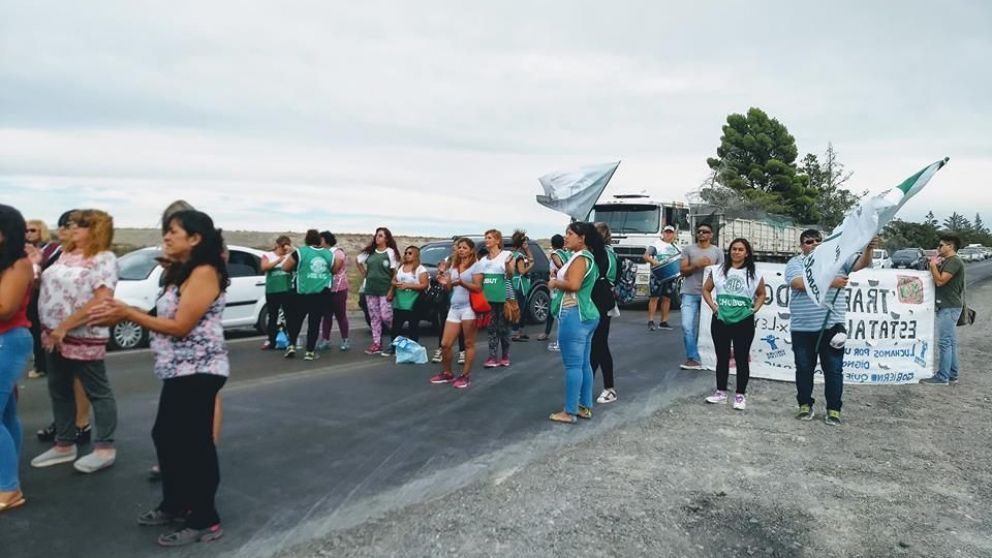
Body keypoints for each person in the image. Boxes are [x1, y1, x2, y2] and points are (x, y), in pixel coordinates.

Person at [89, 209, 229, 546]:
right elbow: (157, 316)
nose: (166, 237)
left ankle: (205, 519)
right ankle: (176, 503)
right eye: (165, 231)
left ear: (194, 239)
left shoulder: (205, 272)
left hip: (200, 369)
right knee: (166, 436)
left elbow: (181, 326)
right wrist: (119, 313)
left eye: (173, 232)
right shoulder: (178, 274)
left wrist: (127, 313)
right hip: (177, 370)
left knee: (195, 445)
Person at [31, 209, 119, 473]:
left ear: (96, 230)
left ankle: (104, 447)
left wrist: (66, 326)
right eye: (72, 225)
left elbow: (102, 298)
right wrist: (36, 266)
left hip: (82, 335)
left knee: (97, 390)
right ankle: (64, 444)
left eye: (80, 226)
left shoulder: (103, 258)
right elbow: (46, 288)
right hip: (52, 333)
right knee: (59, 389)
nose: (72, 229)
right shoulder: (64, 255)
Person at [785, 229, 875, 425]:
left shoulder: (838, 259)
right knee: (804, 368)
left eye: (818, 240)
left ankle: (834, 409)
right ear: (802, 246)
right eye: (809, 242)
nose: (814, 244)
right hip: (803, 328)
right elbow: (797, 283)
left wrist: (869, 248)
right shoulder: (796, 263)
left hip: (832, 326)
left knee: (833, 370)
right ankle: (804, 405)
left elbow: (862, 263)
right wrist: (830, 282)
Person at [33, 211, 94, 444]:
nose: (64, 231)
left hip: (76, 324)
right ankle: (63, 423)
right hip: (51, 323)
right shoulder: (58, 253)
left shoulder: (88, 255)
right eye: (62, 226)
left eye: (69, 226)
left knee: (79, 376)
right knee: (59, 379)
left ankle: (81, 423)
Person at [701, 238, 766, 410]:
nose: (736, 252)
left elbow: (761, 294)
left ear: (747, 253)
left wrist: (754, 309)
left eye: (740, 249)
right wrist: (714, 308)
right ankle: (720, 392)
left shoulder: (754, 273)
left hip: (743, 321)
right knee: (722, 358)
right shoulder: (718, 271)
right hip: (721, 319)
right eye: (734, 249)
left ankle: (740, 395)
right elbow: (705, 289)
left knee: (741, 358)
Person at [548, 222, 603, 424]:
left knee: (573, 366)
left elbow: (573, 285)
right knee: (583, 364)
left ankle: (570, 411)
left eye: (570, 234)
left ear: (582, 238)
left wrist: (555, 283)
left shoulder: (580, 258)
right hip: (586, 314)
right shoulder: (588, 258)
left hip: (574, 314)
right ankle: (583, 407)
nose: (566, 237)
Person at [0, 205, 34, 513]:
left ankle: (9, 489)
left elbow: (5, 307)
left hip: (8, 339)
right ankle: (6, 478)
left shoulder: (20, 264)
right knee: (6, 414)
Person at [430, 238, 483, 389]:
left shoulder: (476, 265)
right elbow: (449, 288)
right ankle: (447, 373)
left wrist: (461, 282)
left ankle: (465, 375)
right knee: (445, 344)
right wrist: (445, 281)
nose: (461, 250)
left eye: (464, 247)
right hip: (454, 307)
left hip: (469, 308)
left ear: (471, 250)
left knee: (468, 343)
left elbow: (478, 288)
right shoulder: (454, 265)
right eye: (459, 247)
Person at [283, 229, 341, 361]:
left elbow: (285, 267)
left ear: (306, 239)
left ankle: (291, 345)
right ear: (319, 240)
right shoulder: (329, 255)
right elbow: (335, 269)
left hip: (301, 292)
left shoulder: (300, 252)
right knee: (314, 323)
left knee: (295, 321)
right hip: (320, 294)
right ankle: (309, 351)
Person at [922, 233, 966, 385]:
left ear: (950, 246)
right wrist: (933, 265)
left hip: (948, 306)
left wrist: (934, 265)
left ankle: (942, 377)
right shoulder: (948, 261)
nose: (937, 248)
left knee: (944, 342)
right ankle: (952, 374)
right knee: (950, 342)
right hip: (948, 306)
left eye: (941, 245)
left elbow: (940, 281)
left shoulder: (954, 261)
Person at [679, 222, 723, 370]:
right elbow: (683, 271)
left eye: (705, 231)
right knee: (687, 326)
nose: (702, 234)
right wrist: (696, 265)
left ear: (711, 235)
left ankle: (711, 356)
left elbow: (722, 274)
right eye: (699, 231)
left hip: (709, 295)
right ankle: (692, 358)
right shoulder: (688, 250)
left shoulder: (717, 252)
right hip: (689, 293)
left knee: (708, 328)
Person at [356, 227, 400, 355]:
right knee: (374, 317)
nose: (377, 237)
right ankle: (377, 343)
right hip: (370, 289)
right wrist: (365, 274)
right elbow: (358, 260)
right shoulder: (370, 252)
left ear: (386, 238)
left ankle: (396, 337)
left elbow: (394, 272)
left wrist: (392, 289)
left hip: (384, 289)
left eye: (380, 235)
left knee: (386, 316)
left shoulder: (390, 252)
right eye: (376, 235)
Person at [24, 219, 58, 378]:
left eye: (32, 230)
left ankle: (44, 365)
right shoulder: (21, 249)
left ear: (41, 231)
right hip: (28, 295)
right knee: (34, 331)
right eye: (26, 231)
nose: (28, 234)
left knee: (43, 330)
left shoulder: (53, 250)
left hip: (46, 294)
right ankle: (41, 363)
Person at [592, 222, 619, 404]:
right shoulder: (608, 253)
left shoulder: (603, 254)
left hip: (601, 301)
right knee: (598, 345)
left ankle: (608, 388)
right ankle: (602, 386)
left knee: (598, 345)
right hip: (601, 301)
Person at [479, 229, 513, 367]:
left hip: (504, 297)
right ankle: (492, 357)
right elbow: (480, 278)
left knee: (503, 328)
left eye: (490, 238)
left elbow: (510, 274)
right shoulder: (483, 260)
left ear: (498, 240)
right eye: (486, 238)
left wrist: (506, 265)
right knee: (491, 328)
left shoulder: (506, 255)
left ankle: (505, 355)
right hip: (488, 298)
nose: (487, 240)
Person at [643, 225, 681, 331]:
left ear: (674, 234)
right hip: (657, 275)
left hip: (671, 276)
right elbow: (645, 256)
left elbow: (681, 260)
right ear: (663, 233)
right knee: (654, 298)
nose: (668, 234)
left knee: (667, 298)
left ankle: (663, 322)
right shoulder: (656, 245)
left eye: (671, 232)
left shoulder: (676, 247)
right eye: (666, 232)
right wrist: (655, 262)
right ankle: (651, 321)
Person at [318, 231, 351, 352]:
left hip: (338, 288)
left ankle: (345, 340)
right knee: (326, 315)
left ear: (326, 240)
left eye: (320, 240)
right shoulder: (322, 253)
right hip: (326, 288)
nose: (319, 242)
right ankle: (325, 339)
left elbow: (335, 269)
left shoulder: (338, 252)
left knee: (340, 315)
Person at [389, 245, 429, 343]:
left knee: (413, 326)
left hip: (413, 300)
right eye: (406, 253)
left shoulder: (420, 269)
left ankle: (413, 347)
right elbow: (393, 280)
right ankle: (394, 346)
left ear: (416, 255)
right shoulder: (401, 267)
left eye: (410, 253)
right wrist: (395, 285)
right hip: (399, 300)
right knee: (396, 326)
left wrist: (408, 285)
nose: (407, 255)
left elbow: (424, 285)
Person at [259, 236, 293, 351]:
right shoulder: (268, 256)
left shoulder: (290, 256)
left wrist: (290, 253)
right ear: (278, 245)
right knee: (273, 316)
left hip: (286, 290)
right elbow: (264, 267)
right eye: (283, 246)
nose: (285, 249)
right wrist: (278, 260)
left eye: (287, 246)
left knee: (288, 316)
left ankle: (289, 339)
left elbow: (298, 262)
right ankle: (271, 340)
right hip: (272, 290)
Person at [537, 234, 568, 351]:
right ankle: (549, 333)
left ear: (552, 244)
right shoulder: (566, 253)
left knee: (554, 309)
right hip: (562, 284)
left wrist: (558, 272)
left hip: (556, 284)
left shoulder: (555, 254)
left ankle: (551, 335)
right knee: (556, 308)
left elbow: (561, 266)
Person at [509, 230, 534, 342]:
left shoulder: (512, 254)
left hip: (514, 283)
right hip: (519, 285)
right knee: (520, 309)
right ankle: (516, 333)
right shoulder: (518, 256)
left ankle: (519, 331)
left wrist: (527, 249)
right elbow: (522, 271)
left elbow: (530, 258)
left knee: (519, 308)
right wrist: (531, 266)